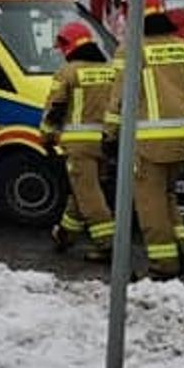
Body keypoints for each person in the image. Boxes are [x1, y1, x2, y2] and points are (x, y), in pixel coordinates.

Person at [105, 0, 184, 280]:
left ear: (130, 14)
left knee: (150, 207)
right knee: (167, 197)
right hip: (180, 138)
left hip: (148, 144)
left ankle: (163, 266)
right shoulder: (180, 45)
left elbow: (119, 100)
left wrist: (110, 135)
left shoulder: (130, 50)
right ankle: (183, 248)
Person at [41, 22, 116, 262]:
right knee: (82, 191)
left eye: (61, 47)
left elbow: (55, 108)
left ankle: (108, 245)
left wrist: (46, 136)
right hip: (105, 142)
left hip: (79, 145)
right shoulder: (111, 70)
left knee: (90, 196)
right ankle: (65, 235)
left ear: (68, 45)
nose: (61, 53)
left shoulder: (68, 72)